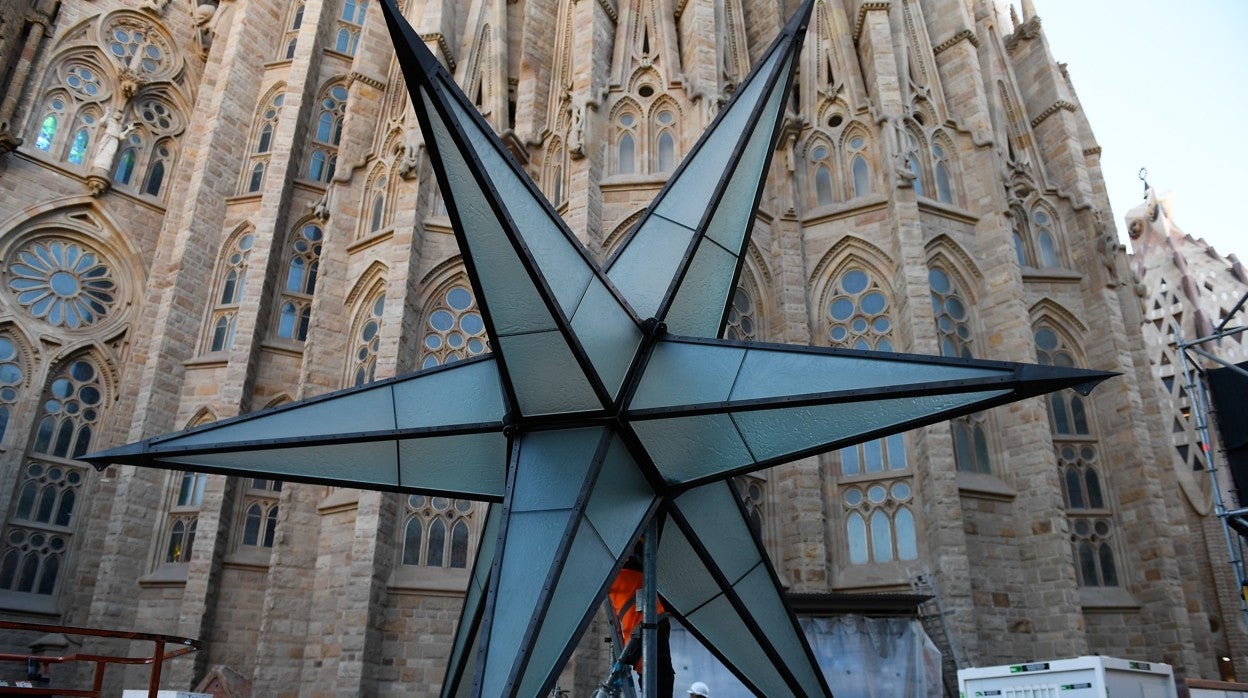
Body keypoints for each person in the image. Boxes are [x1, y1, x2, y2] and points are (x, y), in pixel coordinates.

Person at [607, 538, 674, 698]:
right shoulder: (626, 566)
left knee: (657, 679)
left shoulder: (624, 573)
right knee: (660, 680)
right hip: (643, 633)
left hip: (641, 635)